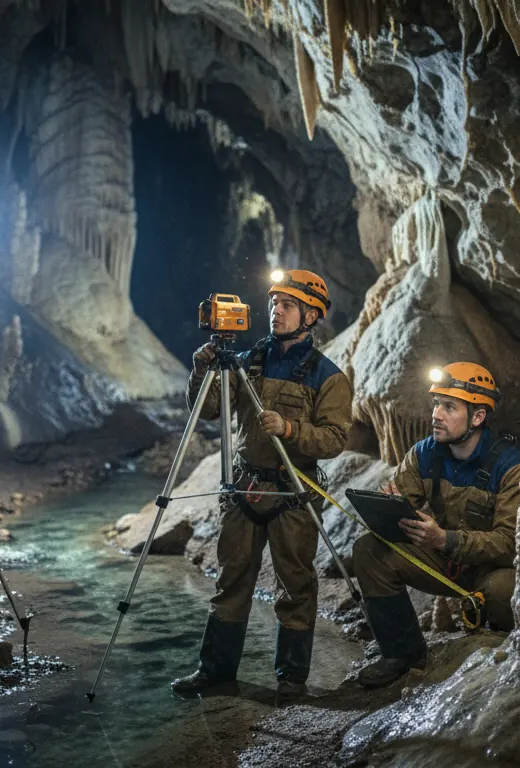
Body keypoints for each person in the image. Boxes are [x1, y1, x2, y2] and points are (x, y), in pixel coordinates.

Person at [170, 270, 353, 698]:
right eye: (274, 304)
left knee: (296, 586)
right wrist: (201, 370)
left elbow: (334, 440)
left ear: (311, 316)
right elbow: (208, 410)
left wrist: (289, 429)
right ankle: (216, 672)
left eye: (288, 305)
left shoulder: (328, 376)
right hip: (244, 488)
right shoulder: (248, 360)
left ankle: (291, 679)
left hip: (292, 493)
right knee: (231, 581)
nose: (276, 311)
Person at [351, 362, 520, 687]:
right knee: (369, 551)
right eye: (436, 404)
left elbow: (510, 543)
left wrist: (445, 540)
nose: (436, 415)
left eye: (449, 407)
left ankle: (504, 656)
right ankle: (401, 654)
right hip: (447, 562)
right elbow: (402, 507)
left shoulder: (509, 465)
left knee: (502, 591)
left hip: (493, 568)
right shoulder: (425, 453)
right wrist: (390, 506)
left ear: (477, 417)